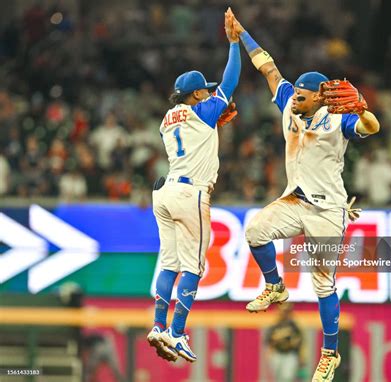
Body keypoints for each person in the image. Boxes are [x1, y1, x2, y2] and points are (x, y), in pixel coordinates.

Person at [230, 11, 380, 382]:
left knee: (322, 283)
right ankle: (275, 286)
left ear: (318, 98)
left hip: (328, 212)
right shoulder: (289, 104)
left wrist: (362, 107)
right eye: (294, 91)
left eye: (301, 93)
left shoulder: (336, 118)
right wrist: (243, 33)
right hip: (295, 201)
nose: (293, 95)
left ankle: (330, 354)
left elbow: (372, 127)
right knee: (255, 231)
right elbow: (268, 68)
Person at [146, 8, 241, 363]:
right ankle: (176, 332)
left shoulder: (167, 118)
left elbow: (199, 126)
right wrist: (233, 45)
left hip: (165, 190)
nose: (211, 95)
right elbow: (229, 83)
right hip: (191, 193)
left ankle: (158, 325)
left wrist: (213, 121)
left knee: (168, 263)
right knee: (193, 267)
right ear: (197, 95)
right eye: (206, 92)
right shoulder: (203, 110)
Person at [266, 303, 304, 382]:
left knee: (287, 378)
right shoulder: (275, 325)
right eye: (282, 310)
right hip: (277, 354)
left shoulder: (293, 325)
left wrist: (301, 356)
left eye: (286, 311)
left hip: (290, 354)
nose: (284, 313)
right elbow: (269, 340)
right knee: (277, 378)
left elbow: (299, 341)